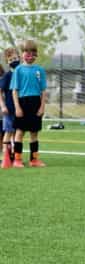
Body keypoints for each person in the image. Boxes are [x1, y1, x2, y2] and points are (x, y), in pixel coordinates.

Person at [10, 40, 47, 168]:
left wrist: (42, 106)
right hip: (22, 102)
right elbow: (15, 90)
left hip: (36, 103)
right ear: (22, 54)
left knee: (34, 133)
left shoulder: (40, 70)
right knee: (19, 132)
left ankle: (34, 160)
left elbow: (43, 91)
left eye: (33, 53)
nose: (30, 56)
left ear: (36, 55)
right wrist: (17, 107)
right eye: (27, 53)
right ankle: (17, 160)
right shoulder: (18, 70)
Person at [0, 48, 21, 168]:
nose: (14, 60)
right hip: (9, 109)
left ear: (19, 58)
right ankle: (5, 158)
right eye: (11, 59)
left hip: (20, 110)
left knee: (17, 133)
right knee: (8, 132)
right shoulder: (7, 76)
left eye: (15, 58)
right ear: (7, 62)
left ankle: (15, 156)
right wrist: (2, 106)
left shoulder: (21, 73)